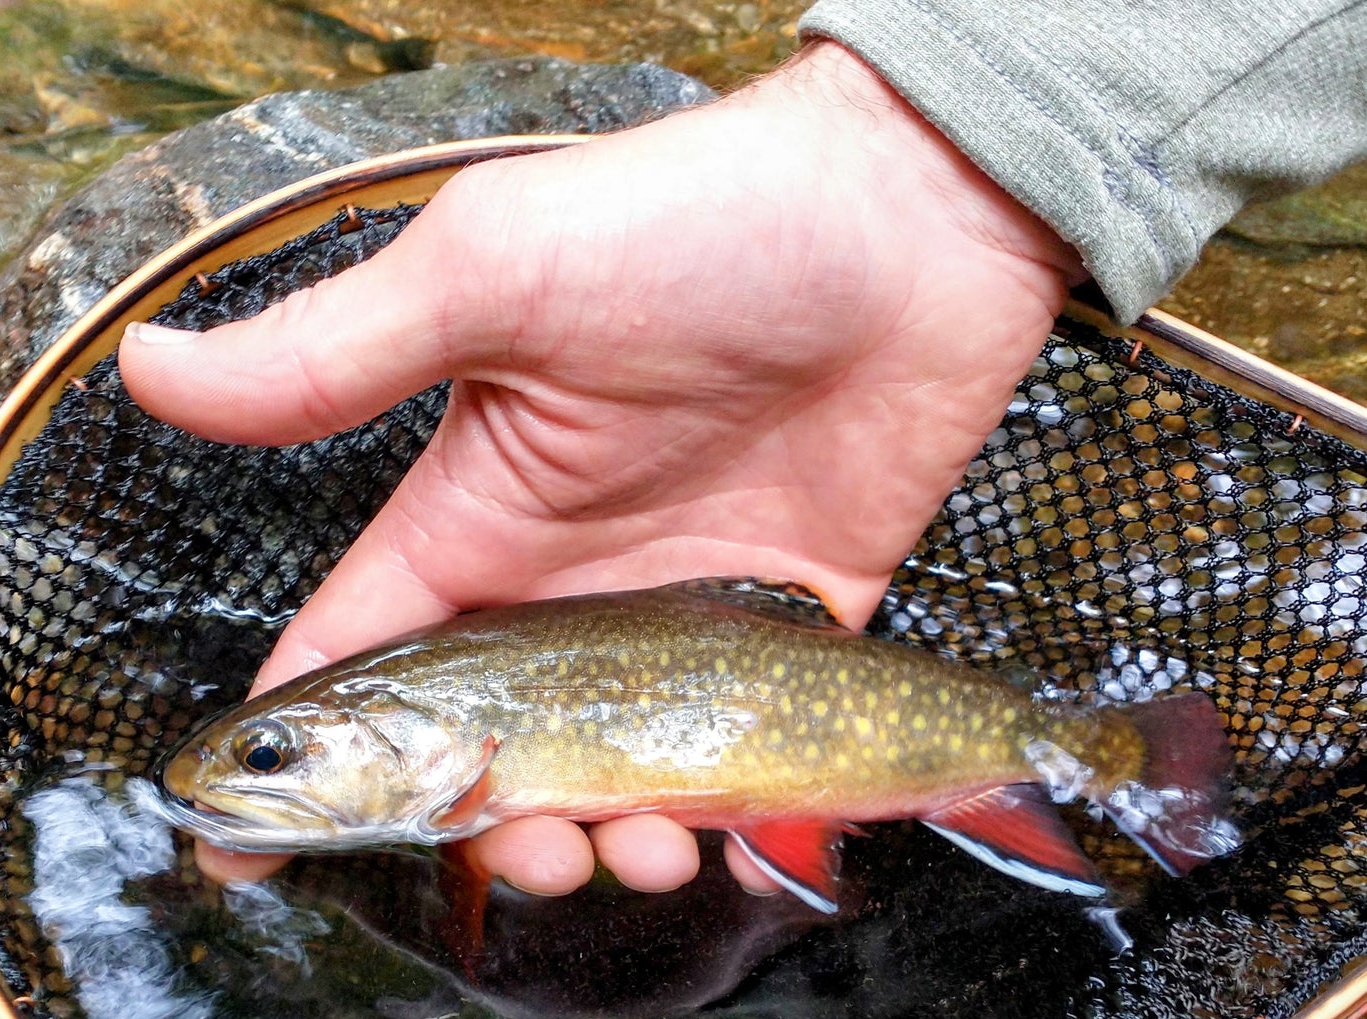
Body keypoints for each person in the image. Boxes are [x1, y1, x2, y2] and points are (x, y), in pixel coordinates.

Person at [118, 7, 1367, 898]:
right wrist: (946, 155)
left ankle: (1127, 756)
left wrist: (914, 161)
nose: (249, 772)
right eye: (265, 758)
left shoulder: (454, 692)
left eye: (268, 755)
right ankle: (1119, 759)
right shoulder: (450, 690)